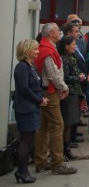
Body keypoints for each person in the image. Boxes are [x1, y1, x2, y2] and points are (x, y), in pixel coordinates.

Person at [33, 23, 78, 175]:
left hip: (46, 91)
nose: (60, 33)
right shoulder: (47, 50)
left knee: (44, 126)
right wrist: (64, 87)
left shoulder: (44, 47)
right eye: (58, 31)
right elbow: (53, 74)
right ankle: (57, 163)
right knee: (58, 125)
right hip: (50, 92)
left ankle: (40, 161)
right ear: (51, 33)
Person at [13, 39, 48, 183]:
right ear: (27, 51)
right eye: (34, 49)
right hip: (25, 108)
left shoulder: (31, 66)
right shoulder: (22, 67)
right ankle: (22, 171)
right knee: (25, 141)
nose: (37, 51)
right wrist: (39, 100)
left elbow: (36, 84)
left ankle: (23, 171)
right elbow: (24, 88)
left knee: (29, 139)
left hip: (32, 107)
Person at [57, 36, 86, 161]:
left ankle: (67, 148)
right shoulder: (63, 58)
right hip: (67, 93)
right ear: (66, 46)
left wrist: (80, 75)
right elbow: (65, 77)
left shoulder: (71, 57)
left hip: (74, 92)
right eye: (73, 44)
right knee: (67, 122)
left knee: (71, 122)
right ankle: (63, 149)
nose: (75, 46)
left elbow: (75, 71)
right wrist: (78, 78)